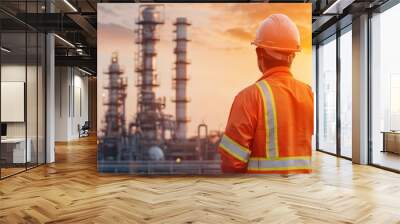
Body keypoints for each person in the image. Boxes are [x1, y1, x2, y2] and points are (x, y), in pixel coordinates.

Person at [218, 14, 314, 174]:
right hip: (302, 192)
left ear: (259, 54)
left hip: (261, 194)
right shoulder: (309, 94)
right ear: (293, 56)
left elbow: (232, 161)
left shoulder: (249, 97)